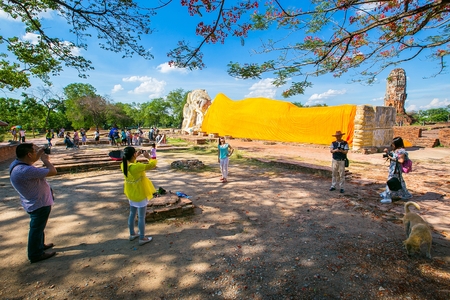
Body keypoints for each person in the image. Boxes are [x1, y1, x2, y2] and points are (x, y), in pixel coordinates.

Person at [9, 143, 57, 263]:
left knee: (39, 227)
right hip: (38, 203)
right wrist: (46, 160)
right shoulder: (25, 170)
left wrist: (40, 152)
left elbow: (32, 160)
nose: (36, 154)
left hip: (34, 201)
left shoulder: (17, 164)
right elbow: (52, 171)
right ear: (29, 155)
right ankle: (35, 254)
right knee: (36, 228)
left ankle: (39, 245)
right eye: (34, 152)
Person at [121, 147, 157, 246]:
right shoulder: (137, 167)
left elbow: (133, 163)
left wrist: (135, 156)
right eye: (135, 153)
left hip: (131, 193)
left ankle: (132, 234)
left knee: (132, 214)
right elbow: (152, 165)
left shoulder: (124, 165)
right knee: (141, 216)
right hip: (140, 193)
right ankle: (142, 238)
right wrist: (149, 157)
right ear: (133, 155)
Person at [380, 137, 412, 204]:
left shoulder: (401, 151)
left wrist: (391, 158)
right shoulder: (396, 150)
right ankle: (404, 194)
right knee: (399, 182)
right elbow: (394, 156)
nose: (392, 145)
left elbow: (401, 160)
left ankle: (388, 197)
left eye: (393, 144)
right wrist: (387, 153)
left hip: (396, 170)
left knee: (391, 181)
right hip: (393, 169)